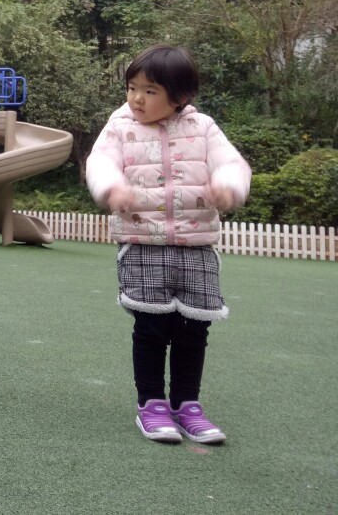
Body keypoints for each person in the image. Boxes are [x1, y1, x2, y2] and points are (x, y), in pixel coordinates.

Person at [86, 44, 251, 445]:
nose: (137, 98)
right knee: (152, 327)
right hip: (143, 240)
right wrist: (111, 187)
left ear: (180, 97)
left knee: (194, 328)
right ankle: (151, 404)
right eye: (132, 88)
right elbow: (100, 161)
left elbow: (230, 162)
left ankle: (187, 405)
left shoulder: (203, 127)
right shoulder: (120, 127)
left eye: (150, 91)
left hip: (197, 244)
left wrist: (228, 185)